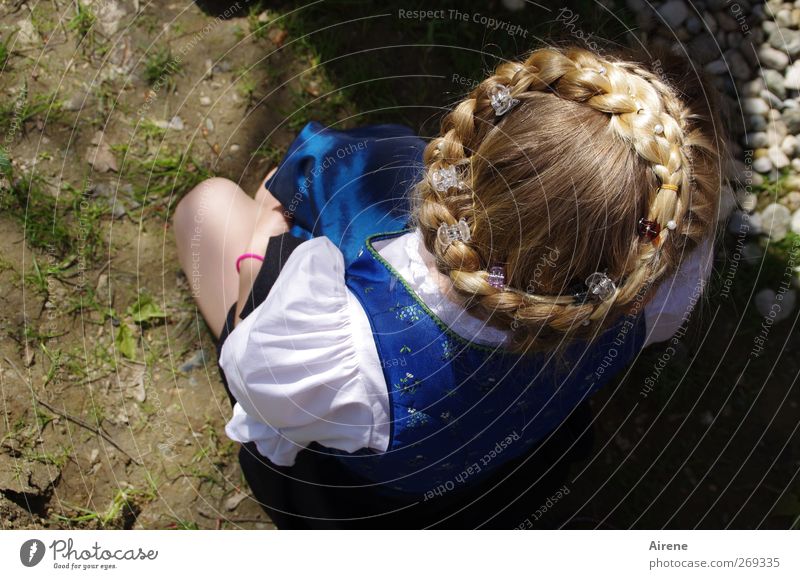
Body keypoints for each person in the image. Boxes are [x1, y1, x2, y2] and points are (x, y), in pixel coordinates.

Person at [172, 45, 731, 529]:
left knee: (211, 205)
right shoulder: (660, 279)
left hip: (370, 503)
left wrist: (258, 258)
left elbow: (257, 381)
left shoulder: (343, 352)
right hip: (515, 472)